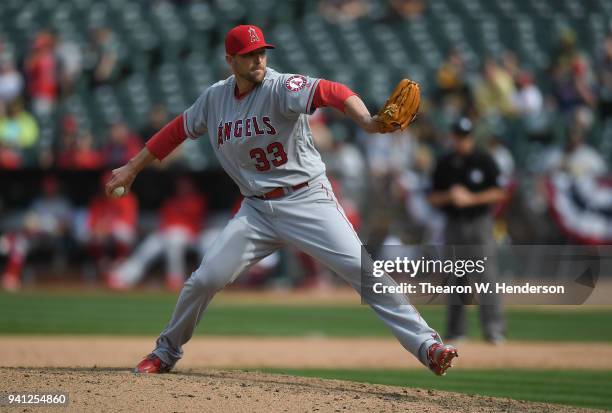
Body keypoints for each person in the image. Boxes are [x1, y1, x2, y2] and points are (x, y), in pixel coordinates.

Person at [106, 25, 457, 375]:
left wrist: (366, 120)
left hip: (307, 200)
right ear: (230, 60)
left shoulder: (280, 86)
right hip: (256, 210)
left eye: (262, 52)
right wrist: (133, 168)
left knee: (363, 271)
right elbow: (176, 131)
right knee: (204, 279)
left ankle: (429, 346)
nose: (259, 59)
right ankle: (165, 353)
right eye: (249, 55)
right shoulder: (215, 98)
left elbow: (330, 90)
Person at [428, 117, 507, 344]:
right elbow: (432, 196)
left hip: (480, 222)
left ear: (471, 137)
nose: (461, 141)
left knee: (486, 278)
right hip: (454, 224)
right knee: (455, 278)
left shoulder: (484, 160)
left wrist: (471, 198)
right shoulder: (445, 163)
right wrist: (450, 196)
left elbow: (500, 192)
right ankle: (456, 331)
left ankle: (494, 329)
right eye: (458, 137)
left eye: (465, 137)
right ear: (452, 137)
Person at [107, 175, 207, 292]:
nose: (183, 188)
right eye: (180, 186)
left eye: (186, 185)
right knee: (150, 245)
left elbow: (195, 225)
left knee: (174, 238)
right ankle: (124, 277)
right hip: (167, 234)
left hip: (189, 236)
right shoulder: (171, 202)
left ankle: (175, 278)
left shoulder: (197, 201)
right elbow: (164, 223)